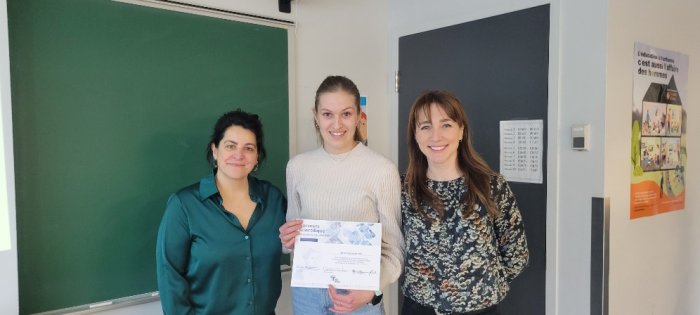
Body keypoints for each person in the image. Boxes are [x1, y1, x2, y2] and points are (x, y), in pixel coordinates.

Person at [278, 75, 403, 314]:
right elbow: (291, 239)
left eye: (346, 114)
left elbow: (394, 249)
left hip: (359, 295)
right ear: (315, 115)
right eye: (327, 114)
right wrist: (286, 240)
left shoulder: (382, 170)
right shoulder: (297, 167)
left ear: (358, 116)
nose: (337, 124)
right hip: (307, 294)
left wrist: (372, 290)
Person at [401, 91, 529, 315]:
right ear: (415, 135)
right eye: (425, 126)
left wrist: (480, 289)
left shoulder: (492, 186)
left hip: (480, 310)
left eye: (446, 125)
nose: (436, 136)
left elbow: (517, 254)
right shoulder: (403, 190)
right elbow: (391, 248)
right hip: (419, 309)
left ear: (461, 131)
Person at [156, 109, 287, 315]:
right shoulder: (184, 206)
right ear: (215, 151)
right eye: (230, 146)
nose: (239, 155)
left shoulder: (274, 199)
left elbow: (295, 244)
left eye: (249, 148)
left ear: (257, 157)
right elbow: (169, 275)